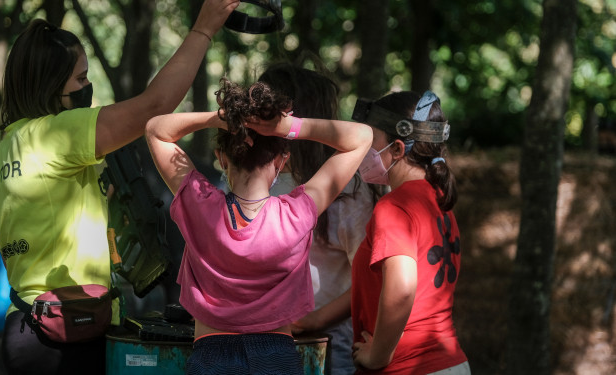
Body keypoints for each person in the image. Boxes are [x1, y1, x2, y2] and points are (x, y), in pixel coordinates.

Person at [0, 0, 243, 375]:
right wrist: (203, 30)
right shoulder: (56, 134)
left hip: (25, 325)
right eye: (80, 79)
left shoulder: (6, 148)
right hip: (68, 331)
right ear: (51, 87)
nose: (89, 88)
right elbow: (154, 107)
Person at [145, 78, 373, 375]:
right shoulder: (298, 213)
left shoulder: (199, 205)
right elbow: (362, 136)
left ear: (221, 158)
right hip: (277, 356)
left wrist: (222, 119)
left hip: (210, 356)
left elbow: (155, 130)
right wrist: (288, 127)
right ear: (281, 161)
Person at [258, 57, 375, 375]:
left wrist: (313, 321)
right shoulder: (267, 177)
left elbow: (370, 279)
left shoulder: (351, 191)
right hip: (269, 338)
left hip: (331, 345)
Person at [350, 91, 469, 374]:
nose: (365, 149)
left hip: (409, 367)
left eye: (372, 139)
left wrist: (377, 356)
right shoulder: (440, 201)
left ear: (398, 149)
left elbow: (402, 290)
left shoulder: (394, 206)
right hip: (451, 362)